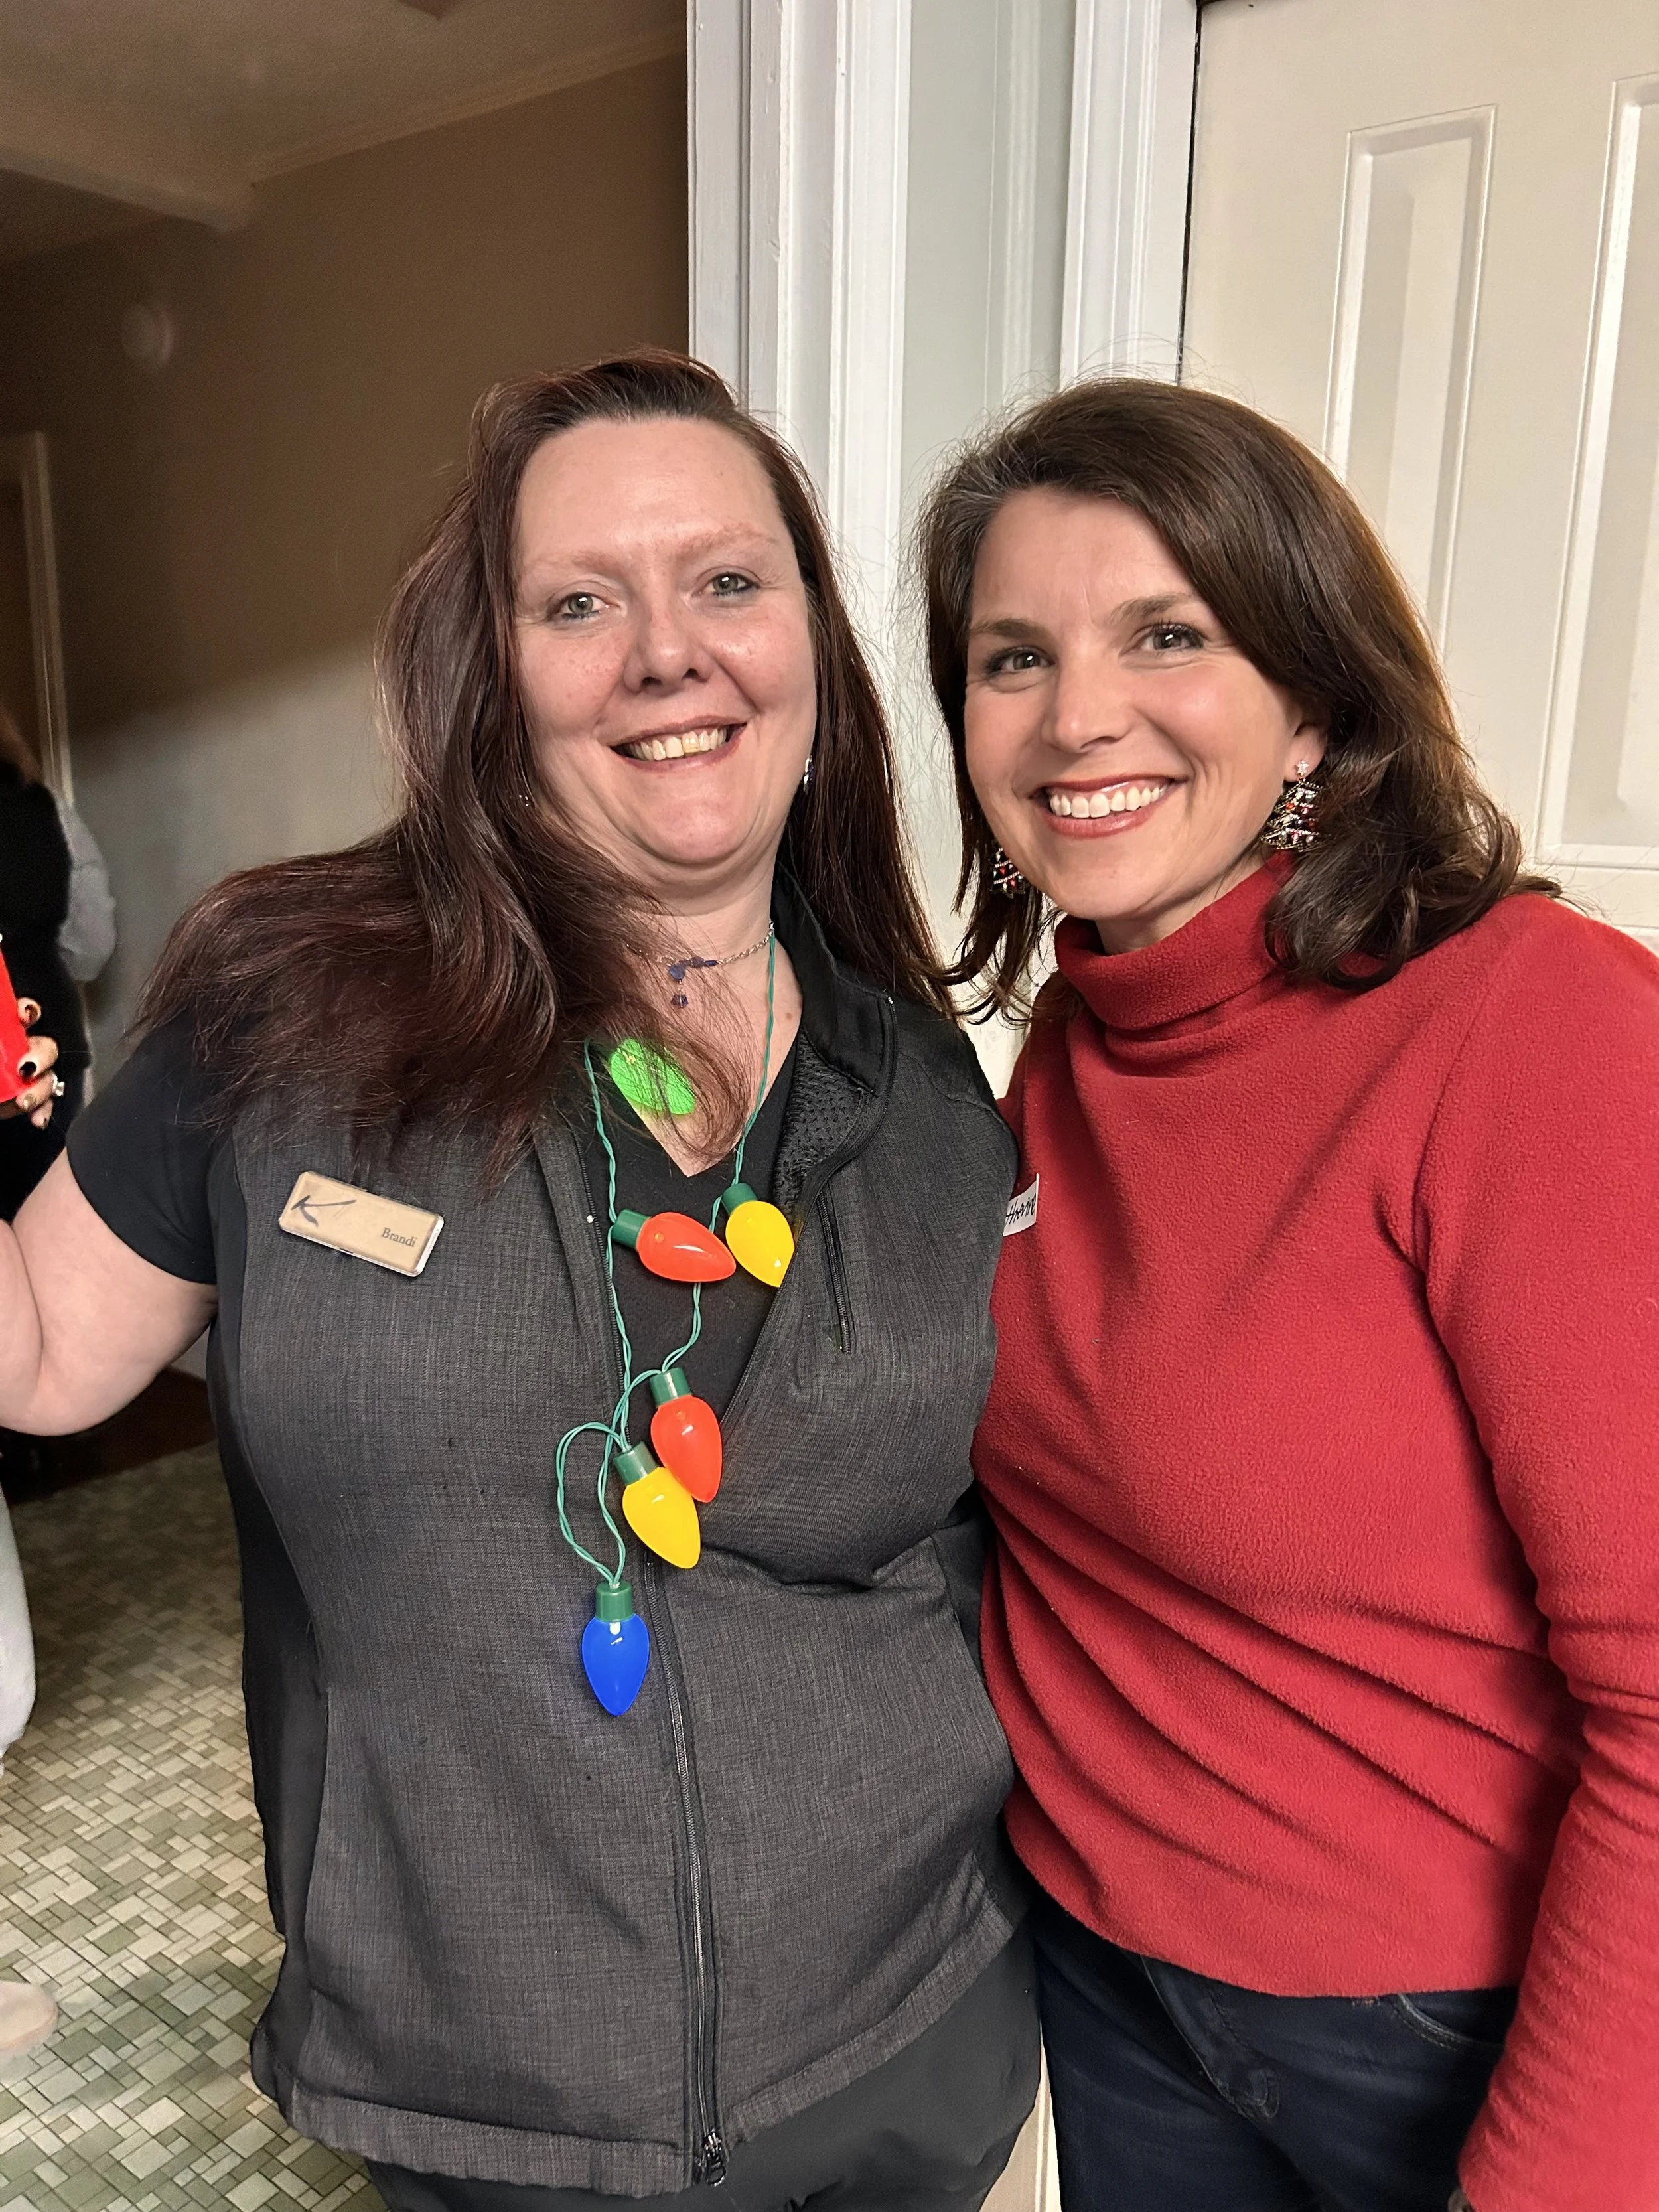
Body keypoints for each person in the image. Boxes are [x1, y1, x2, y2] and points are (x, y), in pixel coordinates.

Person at [0, 352, 1038, 2210]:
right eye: (580, 601)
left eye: (727, 581)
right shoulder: (287, 1004)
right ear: (491, 672)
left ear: (809, 639)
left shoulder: (919, 1074)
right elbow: (46, 1350)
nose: (667, 651)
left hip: (914, 2030)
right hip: (482, 2092)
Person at [919, 378, 1659, 2212]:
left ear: (1313, 694)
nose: (1077, 711)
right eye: (1011, 658)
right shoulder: (1061, 1070)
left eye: (1164, 633)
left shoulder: (1532, 1030)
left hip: (1438, 2025)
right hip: (1108, 1975)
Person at [0, 703, 114, 1223]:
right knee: (48, 1233)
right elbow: (93, 947)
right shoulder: (45, 809)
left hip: (36, 1066)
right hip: (49, 1048)